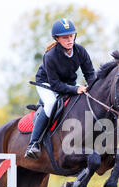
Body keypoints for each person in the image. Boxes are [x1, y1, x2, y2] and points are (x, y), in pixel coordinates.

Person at [25, 18, 96, 159]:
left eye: (71, 36)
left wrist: (93, 88)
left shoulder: (80, 50)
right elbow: (56, 85)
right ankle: (33, 144)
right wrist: (75, 89)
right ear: (57, 39)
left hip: (68, 83)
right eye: (65, 37)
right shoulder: (50, 56)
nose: (70, 39)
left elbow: (90, 73)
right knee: (51, 104)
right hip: (47, 84)